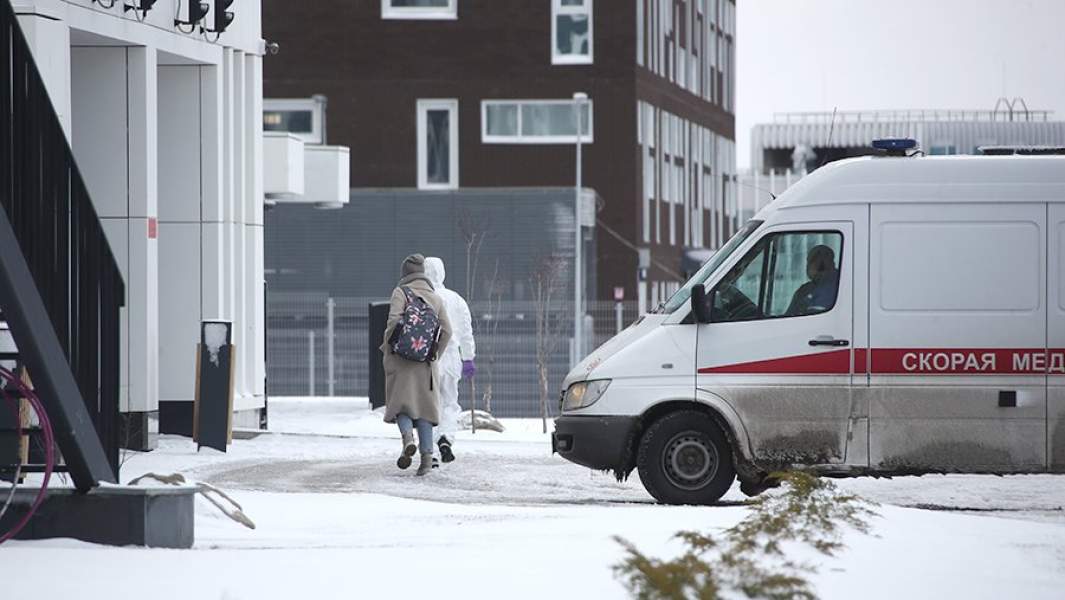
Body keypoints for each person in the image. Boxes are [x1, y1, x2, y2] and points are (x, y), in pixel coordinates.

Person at [381, 254, 453, 476]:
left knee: (400, 405)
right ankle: (425, 461)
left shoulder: (400, 292)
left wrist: (388, 348)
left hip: (401, 360)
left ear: (405, 274)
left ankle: (407, 439)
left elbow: (393, 323)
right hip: (425, 363)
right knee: (425, 410)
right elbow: (447, 331)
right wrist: (433, 355)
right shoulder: (436, 298)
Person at [423, 257, 476, 465]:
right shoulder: (456, 299)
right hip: (452, 357)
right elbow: (465, 332)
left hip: (427, 358)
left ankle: (431, 452)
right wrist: (468, 358)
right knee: (449, 404)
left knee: (427, 405)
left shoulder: (421, 297)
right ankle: (445, 438)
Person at [786, 245, 840, 316]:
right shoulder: (804, 290)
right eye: (809, 262)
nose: (808, 267)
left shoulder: (839, 285)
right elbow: (789, 315)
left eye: (814, 262)